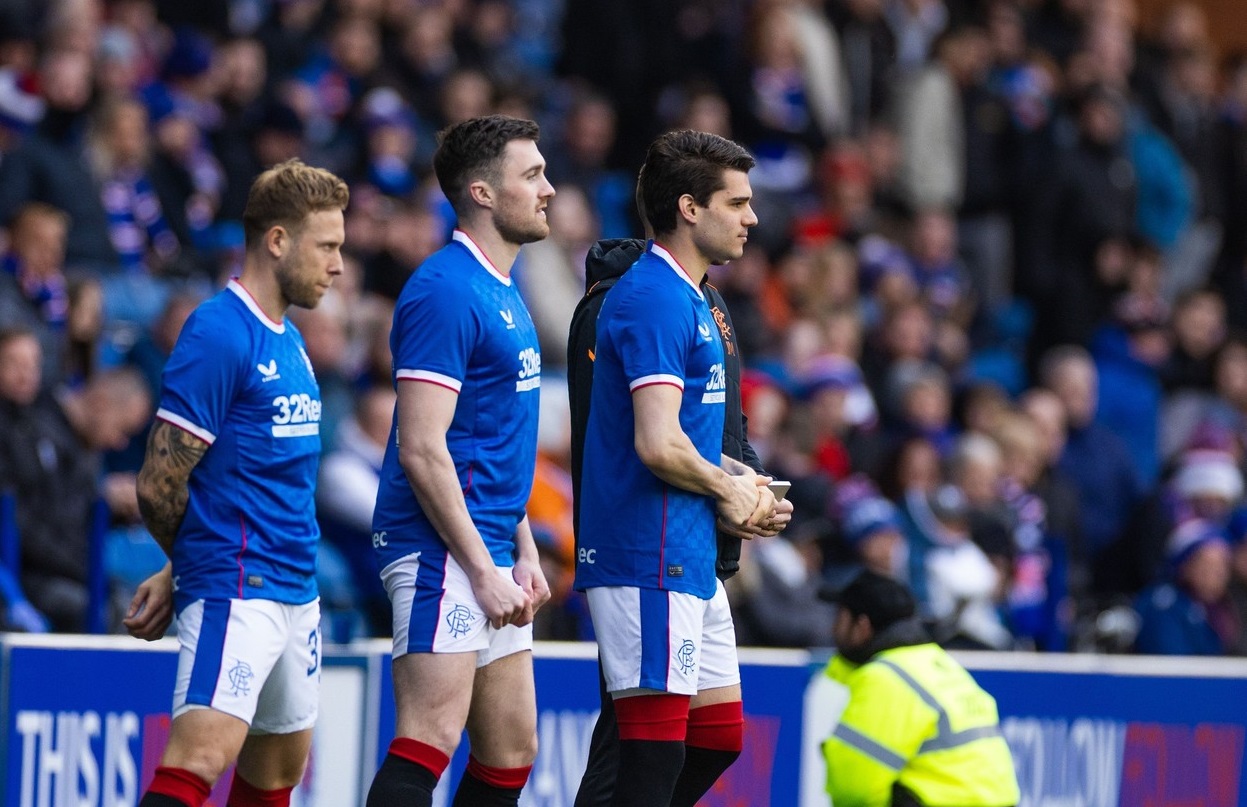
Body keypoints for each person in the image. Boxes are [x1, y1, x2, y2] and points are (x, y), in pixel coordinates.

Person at [128, 158, 349, 807]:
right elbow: (157, 482)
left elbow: (249, 476)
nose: (337, 264)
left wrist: (174, 571)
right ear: (277, 240)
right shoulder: (219, 331)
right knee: (197, 760)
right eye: (327, 245)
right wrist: (195, 564)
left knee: (275, 775)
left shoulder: (290, 339)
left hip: (295, 589)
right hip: (239, 586)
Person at [573, 129, 781, 806]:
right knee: (650, 757)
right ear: (689, 208)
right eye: (737, 201)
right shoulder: (654, 297)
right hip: (646, 552)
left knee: (718, 735)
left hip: (683, 551)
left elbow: (681, 434)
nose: (750, 217)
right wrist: (729, 490)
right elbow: (656, 445)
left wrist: (743, 481)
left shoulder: (691, 296)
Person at [366, 115, 554, 807]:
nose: (549, 189)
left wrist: (522, 547)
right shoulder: (444, 290)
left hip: (489, 543)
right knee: (428, 737)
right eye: (531, 175)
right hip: (440, 547)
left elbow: (494, 439)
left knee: (510, 749)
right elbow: (421, 444)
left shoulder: (503, 286)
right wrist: (481, 564)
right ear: (480, 191)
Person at [820, 570, 1020, 807]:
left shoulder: (885, 677)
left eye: (840, 617)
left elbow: (853, 789)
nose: (833, 628)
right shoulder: (936, 662)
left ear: (862, 627)